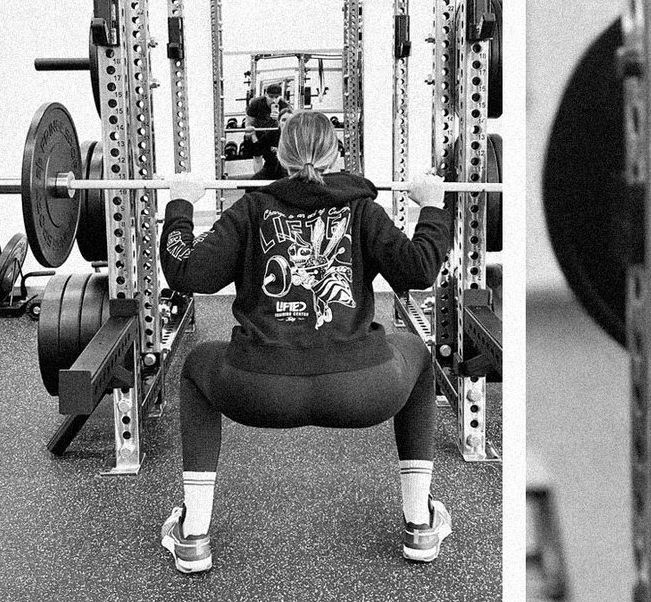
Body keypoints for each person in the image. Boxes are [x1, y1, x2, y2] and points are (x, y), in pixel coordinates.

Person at [154, 110, 455, 573]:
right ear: (336, 156)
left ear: (279, 154)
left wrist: (179, 205)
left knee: (197, 367)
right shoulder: (362, 210)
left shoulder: (251, 210)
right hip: (363, 389)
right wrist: (432, 207)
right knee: (415, 353)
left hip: (260, 390)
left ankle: (193, 535)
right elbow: (419, 269)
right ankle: (420, 524)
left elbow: (187, 273)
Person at [245, 82, 287, 179]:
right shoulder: (256, 103)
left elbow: (288, 125)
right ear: (266, 95)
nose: (274, 100)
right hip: (258, 133)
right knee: (257, 156)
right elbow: (249, 122)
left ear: (280, 97)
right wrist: (253, 136)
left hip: (274, 134)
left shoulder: (284, 106)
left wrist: (279, 118)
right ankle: (258, 181)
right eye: (271, 97)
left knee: (276, 158)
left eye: (276, 97)